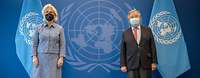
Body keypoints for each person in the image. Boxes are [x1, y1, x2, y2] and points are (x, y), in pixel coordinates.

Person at [120, 9, 157, 78]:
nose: (134, 18)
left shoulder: (147, 30)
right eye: (132, 17)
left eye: (136, 16)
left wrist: (154, 62)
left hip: (146, 63)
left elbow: (152, 46)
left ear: (140, 18)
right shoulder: (125, 33)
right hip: (131, 64)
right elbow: (123, 50)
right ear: (129, 20)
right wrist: (123, 64)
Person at [32, 4, 66, 78]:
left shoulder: (60, 29)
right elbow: (34, 44)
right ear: (44, 14)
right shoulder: (38, 28)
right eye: (47, 12)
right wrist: (34, 56)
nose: (49, 13)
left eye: (51, 12)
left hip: (55, 59)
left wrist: (61, 57)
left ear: (54, 14)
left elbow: (62, 44)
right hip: (40, 59)